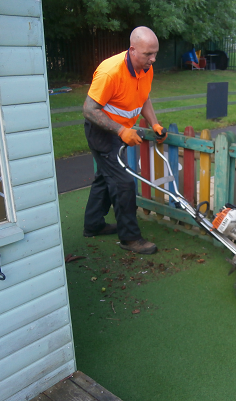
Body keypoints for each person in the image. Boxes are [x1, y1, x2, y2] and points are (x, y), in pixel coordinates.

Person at [82, 26, 166, 255]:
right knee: (124, 183)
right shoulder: (110, 71)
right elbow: (89, 110)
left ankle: (93, 225)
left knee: (104, 178)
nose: (153, 59)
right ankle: (130, 238)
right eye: (148, 54)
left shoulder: (145, 68)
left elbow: (143, 97)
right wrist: (120, 130)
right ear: (132, 50)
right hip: (102, 132)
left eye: (155, 53)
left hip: (119, 132)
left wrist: (154, 123)